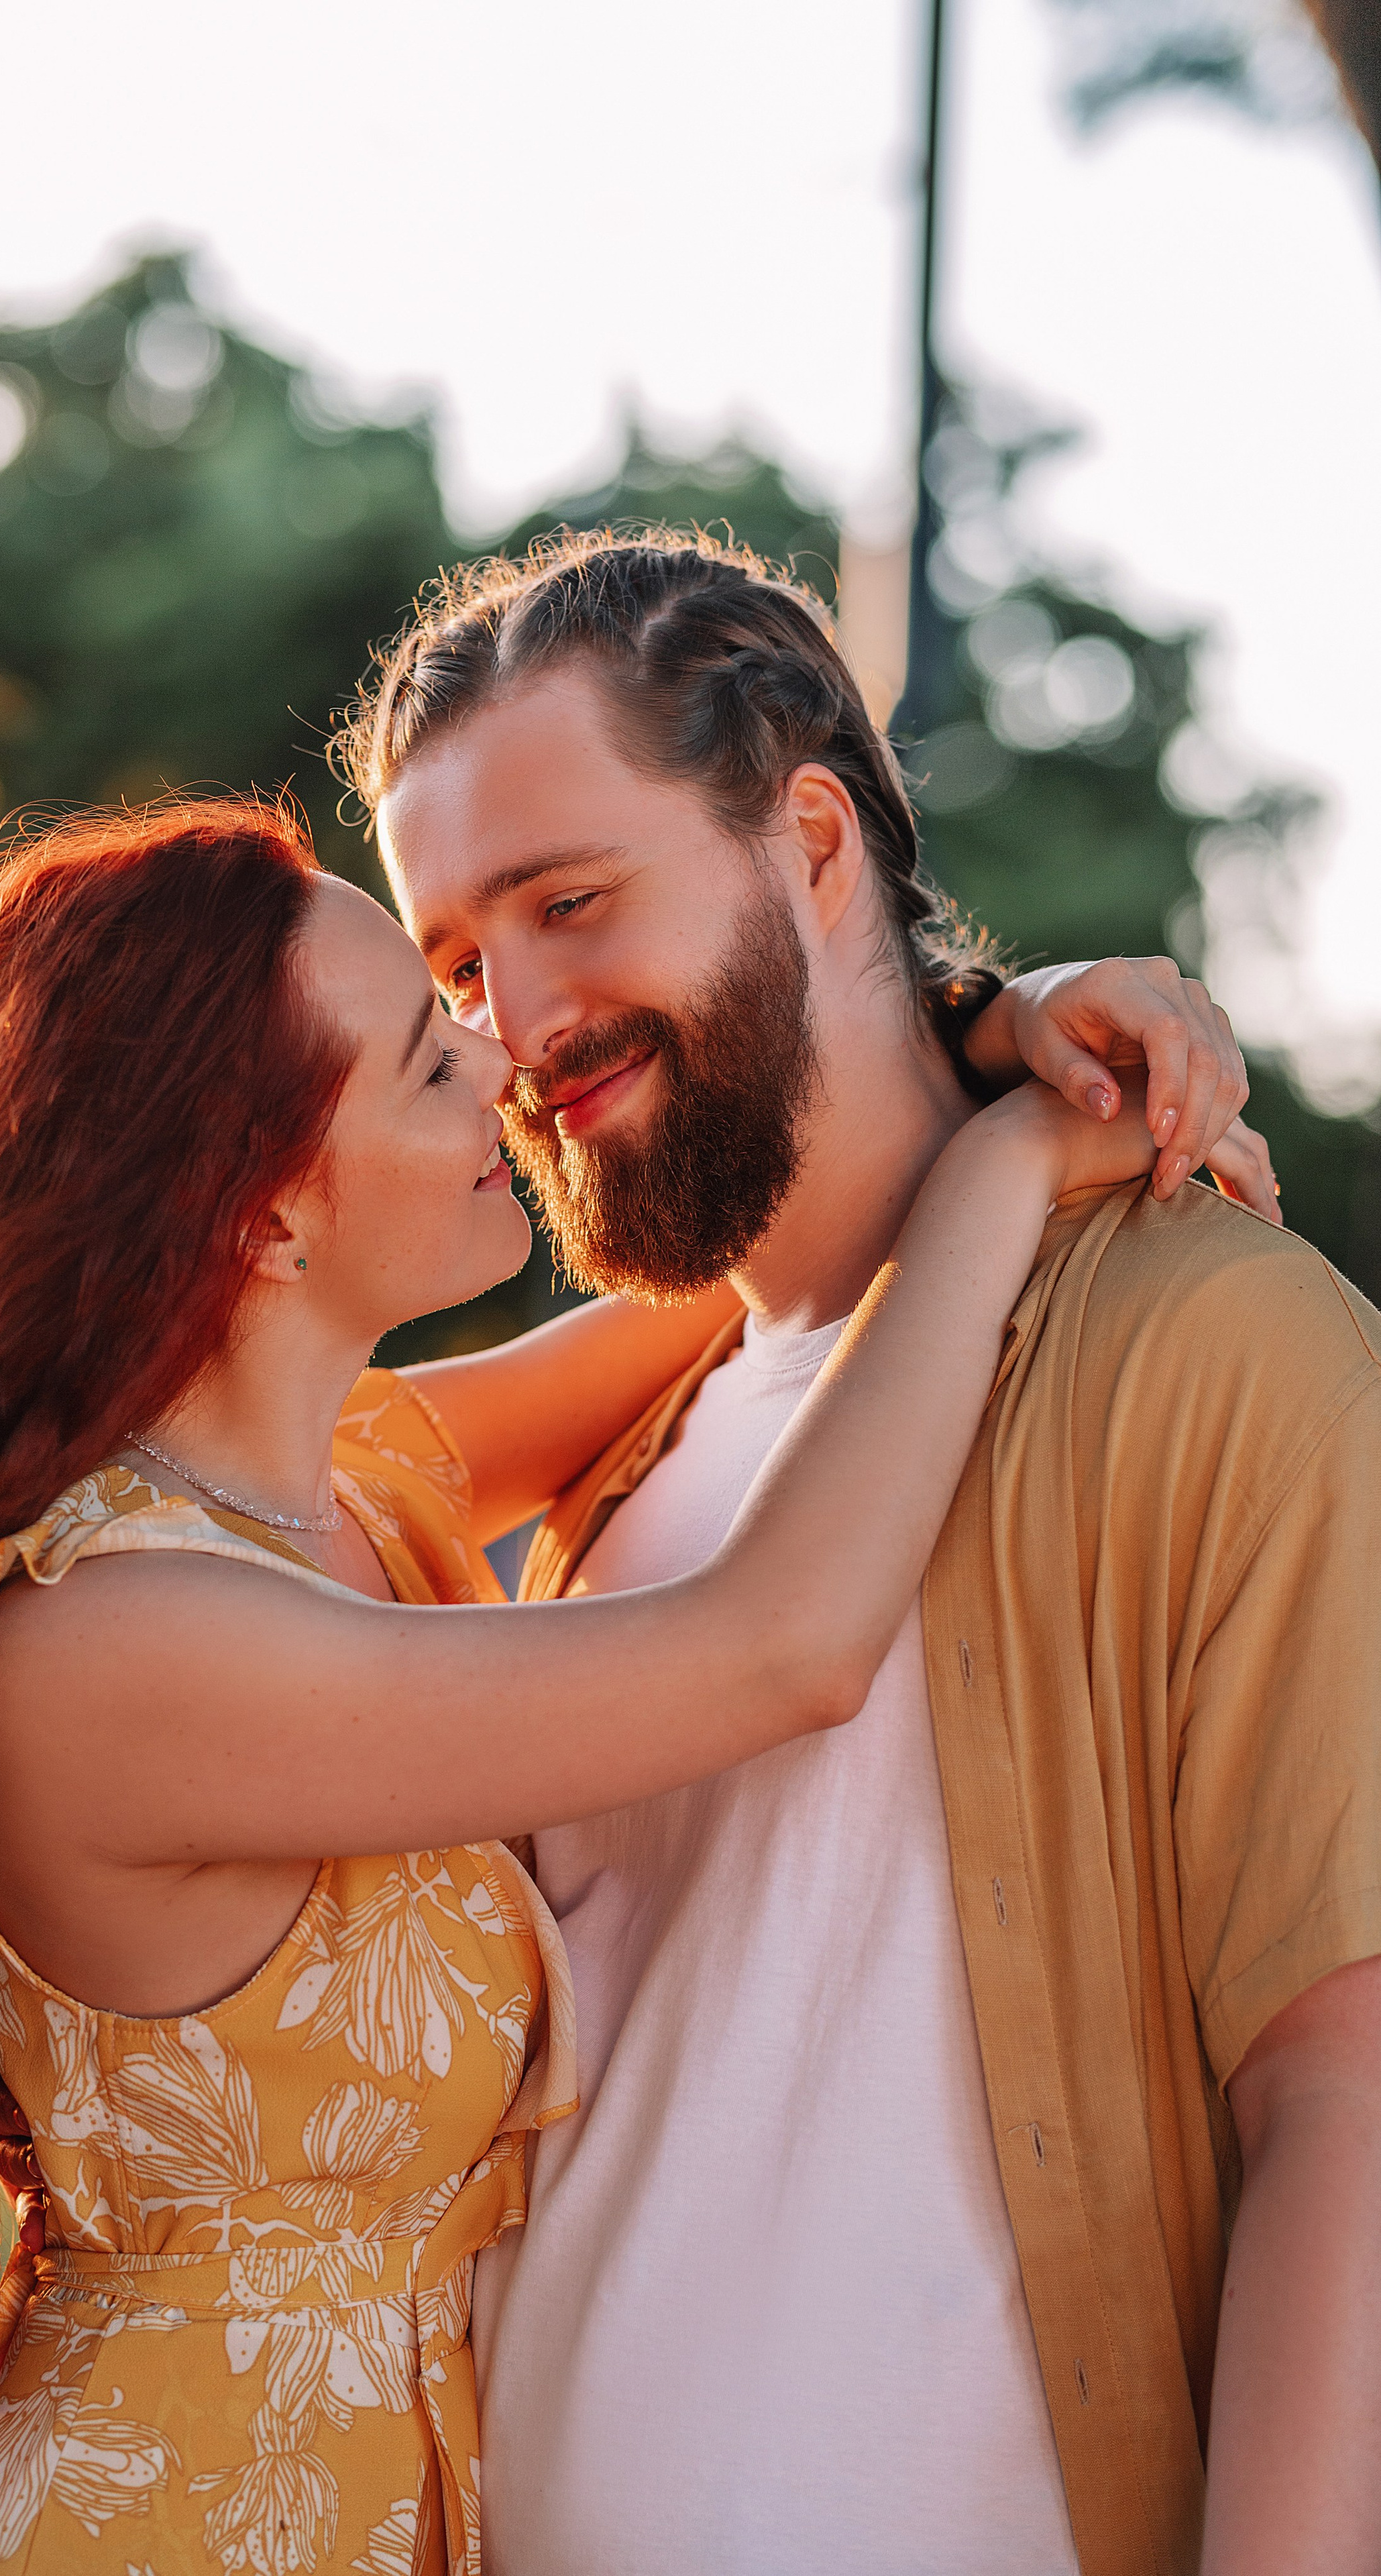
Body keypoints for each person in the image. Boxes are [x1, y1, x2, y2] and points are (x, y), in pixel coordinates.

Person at [0, 795, 1186, 2576]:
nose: (503, 1061)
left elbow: (780, 1264)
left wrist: (982, 1032)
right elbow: (786, 1644)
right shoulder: (105, 1647)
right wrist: (1013, 1167)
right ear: (260, 1220)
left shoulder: (327, 1499)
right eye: (422, 1055)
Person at [336, 529, 1381, 2576]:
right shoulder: (619, 1447)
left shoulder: (1220, 1344)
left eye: (570, 901)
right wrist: (999, 1043)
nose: (517, 1021)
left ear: (813, 842)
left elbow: (1343, 2099)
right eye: (456, 964)